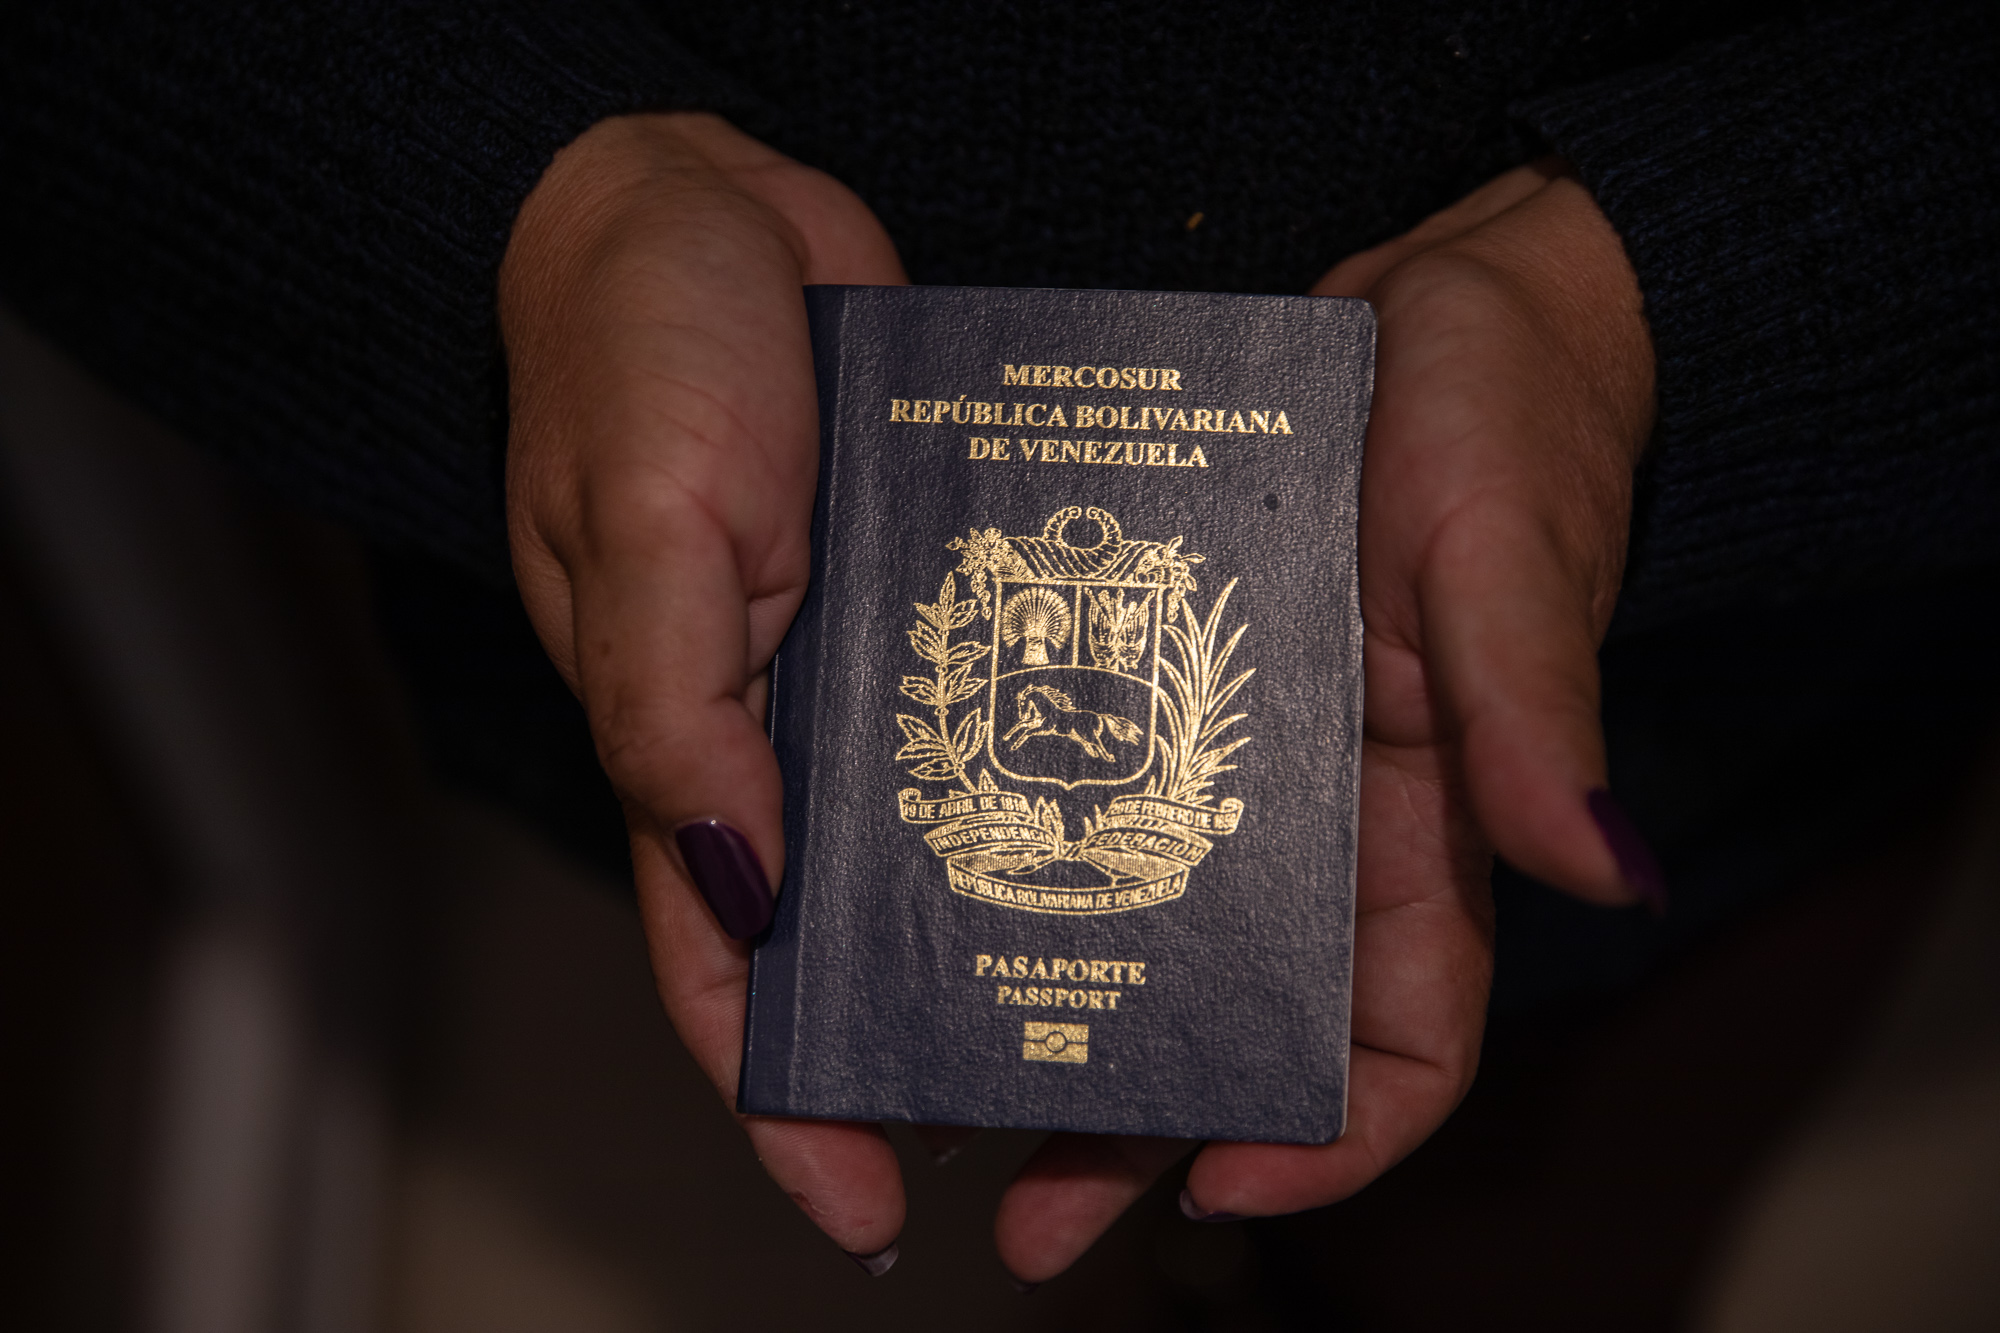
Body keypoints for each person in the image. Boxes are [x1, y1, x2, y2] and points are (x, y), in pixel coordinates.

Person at [3, 0, 1995, 1288]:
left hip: (1712, 704)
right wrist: (515, 208)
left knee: (1537, 1227)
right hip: (757, 696)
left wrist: (1686, 304)